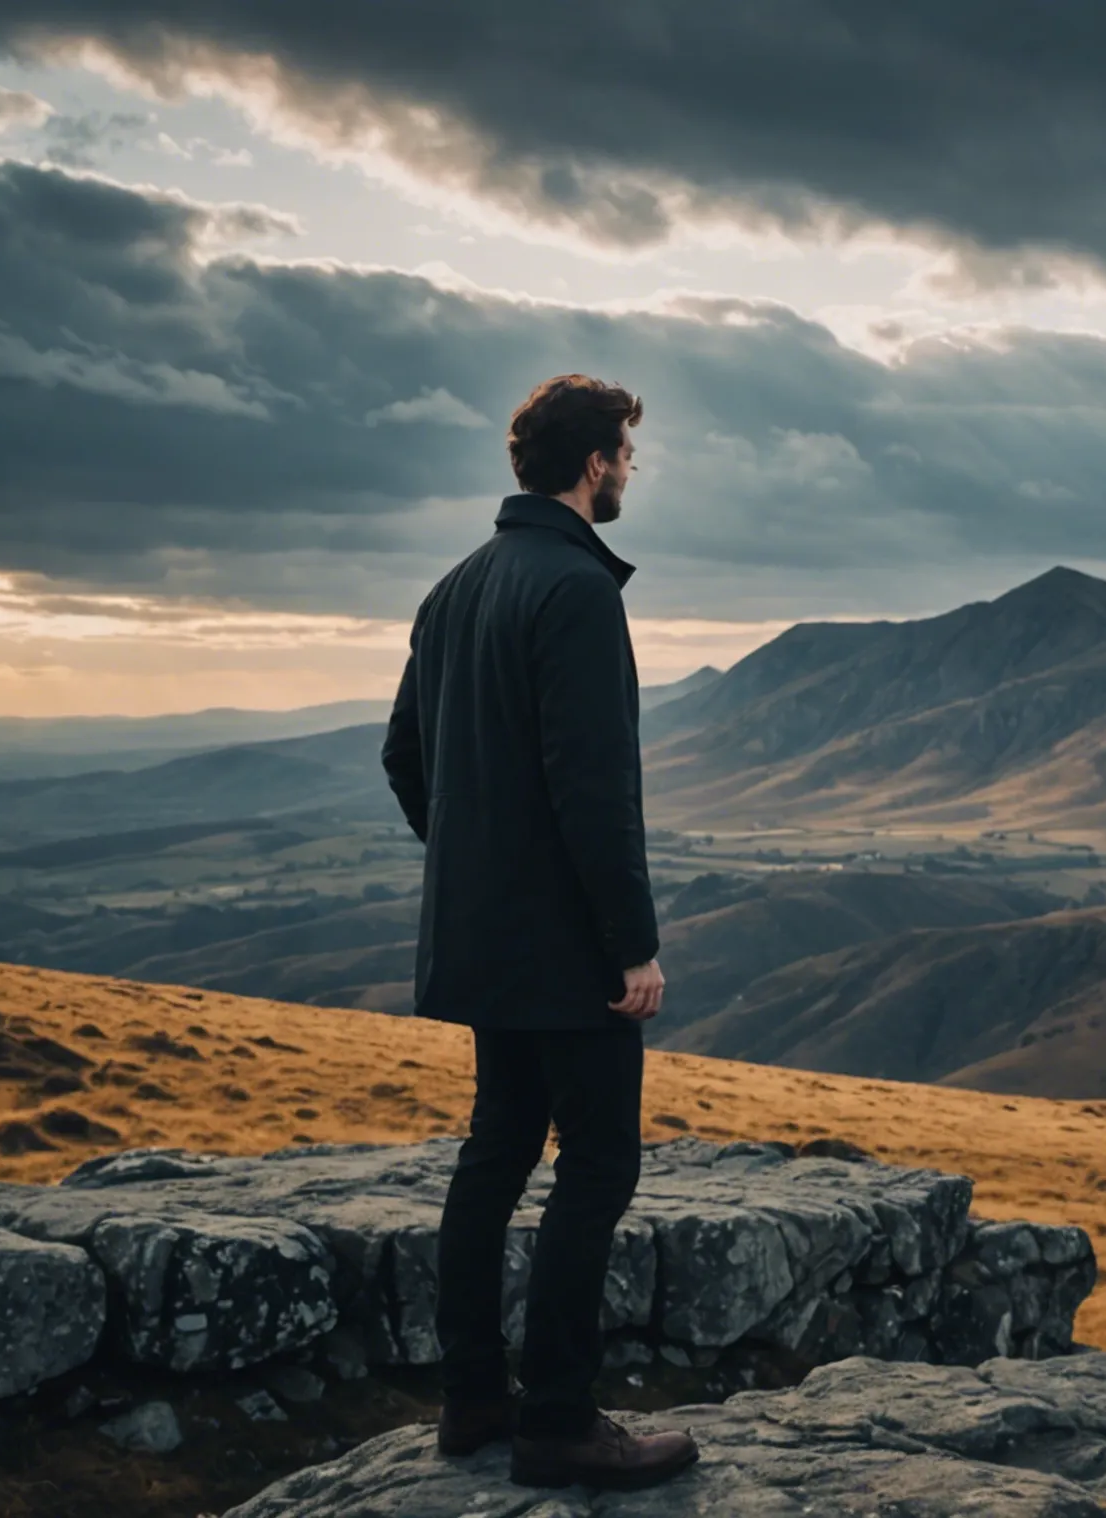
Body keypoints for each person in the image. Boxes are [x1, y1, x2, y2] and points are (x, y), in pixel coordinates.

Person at [379, 373, 700, 1491]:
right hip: (568, 951)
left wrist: (477, 871)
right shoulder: (574, 590)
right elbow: (592, 789)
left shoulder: (456, 588)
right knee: (599, 1162)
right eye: (625, 453)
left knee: (496, 1150)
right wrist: (631, 945)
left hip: (486, 941)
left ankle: (473, 1403)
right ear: (593, 462)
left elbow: (402, 759)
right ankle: (560, 1421)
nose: (630, 471)